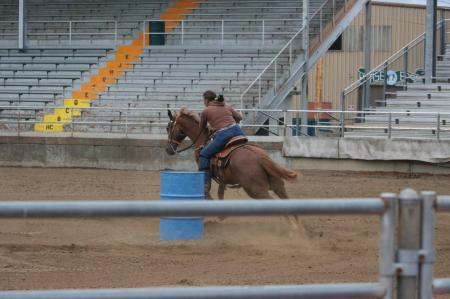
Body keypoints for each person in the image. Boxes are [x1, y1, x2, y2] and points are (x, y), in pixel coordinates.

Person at [199, 90, 245, 196]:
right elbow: (239, 118)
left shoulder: (206, 111)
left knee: (203, 155)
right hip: (238, 132)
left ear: (206, 100)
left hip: (223, 135)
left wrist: (212, 127)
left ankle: (206, 185)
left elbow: (201, 129)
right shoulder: (226, 106)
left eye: (203, 100)